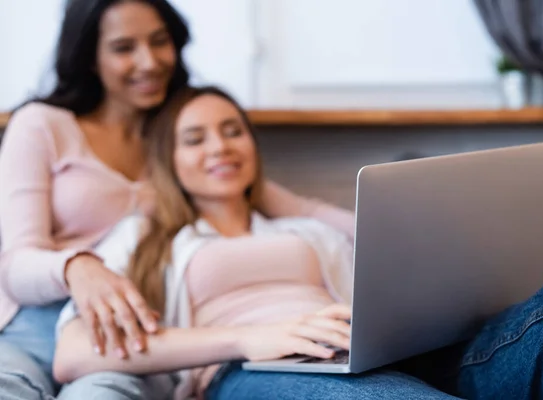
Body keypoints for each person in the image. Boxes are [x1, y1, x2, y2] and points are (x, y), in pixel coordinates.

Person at [55, 85, 543, 400]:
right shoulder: (146, 237)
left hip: (371, 354)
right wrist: (249, 338)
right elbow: (73, 356)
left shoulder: (304, 230)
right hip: (250, 370)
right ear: (167, 162)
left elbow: (398, 258)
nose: (220, 146)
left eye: (233, 130)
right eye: (194, 139)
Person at [0, 1, 349, 398]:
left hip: (126, 328)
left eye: (159, 41)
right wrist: (78, 268)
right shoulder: (42, 125)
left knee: (101, 393)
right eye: (123, 48)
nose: (148, 62)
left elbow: (299, 209)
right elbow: (16, 262)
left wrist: (403, 226)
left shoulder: (184, 132)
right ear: (90, 57)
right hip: (34, 323)